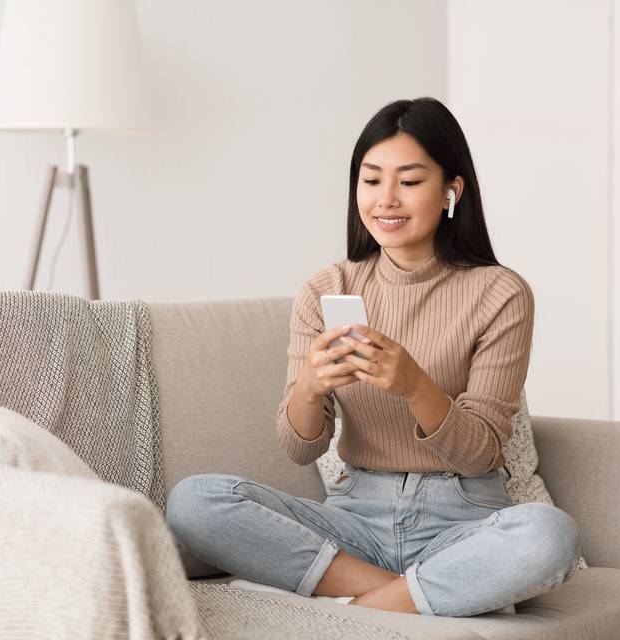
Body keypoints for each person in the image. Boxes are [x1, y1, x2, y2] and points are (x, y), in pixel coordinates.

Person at [166, 97, 582, 617]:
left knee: (550, 535)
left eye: (409, 181)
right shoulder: (327, 287)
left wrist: (415, 386)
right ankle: (413, 595)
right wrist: (310, 388)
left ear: (452, 190)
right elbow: (297, 448)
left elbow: (482, 455)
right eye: (371, 180)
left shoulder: (501, 293)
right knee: (194, 501)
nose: (387, 199)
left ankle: (356, 608)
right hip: (354, 517)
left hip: (461, 518)